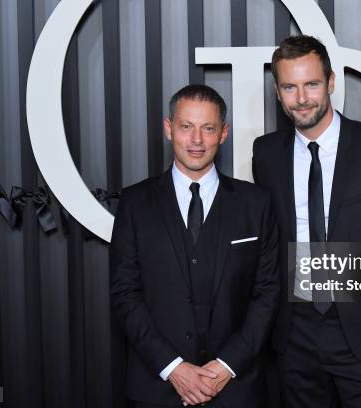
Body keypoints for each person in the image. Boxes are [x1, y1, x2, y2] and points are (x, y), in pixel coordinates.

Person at [252, 35, 361, 407]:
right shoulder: (265, 154)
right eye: (289, 87)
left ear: (331, 82)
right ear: (277, 91)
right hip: (293, 330)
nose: (301, 98)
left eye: (312, 84)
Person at [110, 84, 280, 407]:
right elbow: (125, 294)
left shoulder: (256, 204)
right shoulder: (135, 203)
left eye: (208, 128)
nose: (197, 140)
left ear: (224, 133)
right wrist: (173, 368)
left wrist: (227, 366)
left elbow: (268, 293)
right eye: (186, 127)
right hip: (156, 390)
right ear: (168, 128)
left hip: (237, 389)